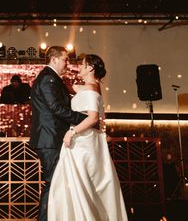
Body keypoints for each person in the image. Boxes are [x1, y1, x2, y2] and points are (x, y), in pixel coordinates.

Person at [47, 54, 128, 220]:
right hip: (85, 140)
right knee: (81, 184)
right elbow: (71, 88)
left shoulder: (91, 88)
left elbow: (92, 118)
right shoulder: (90, 87)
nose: (79, 67)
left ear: (90, 68)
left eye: (83, 65)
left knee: (81, 183)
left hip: (83, 141)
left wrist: (72, 132)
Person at [30, 46, 87, 221]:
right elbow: (56, 108)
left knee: (55, 183)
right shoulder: (48, 78)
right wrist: (84, 119)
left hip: (51, 137)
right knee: (53, 183)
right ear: (54, 59)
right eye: (65, 59)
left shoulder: (52, 78)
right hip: (50, 138)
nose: (68, 63)